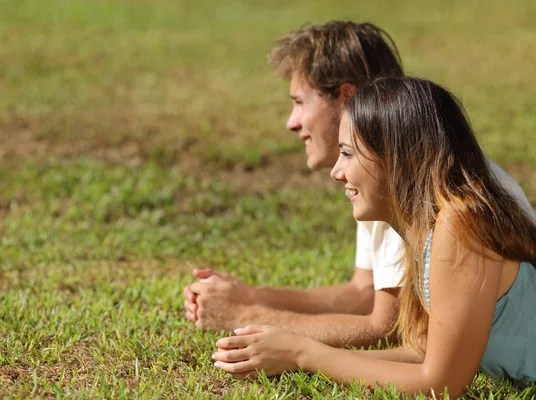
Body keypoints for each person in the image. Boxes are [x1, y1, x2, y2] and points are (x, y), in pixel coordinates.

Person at [182, 21, 535, 349]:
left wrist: (245, 318)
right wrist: (253, 296)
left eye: (299, 102)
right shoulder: (388, 172)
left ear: (347, 97)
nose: (291, 123)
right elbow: (364, 291)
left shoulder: (414, 186)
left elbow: (387, 326)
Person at [211, 77, 536, 397]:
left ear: (397, 158)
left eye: (349, 154)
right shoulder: (426, 231)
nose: (336, 172)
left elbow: (441, 384)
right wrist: (294, 356)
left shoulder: (460, 226)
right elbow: (421, 351)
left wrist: (303, 353)